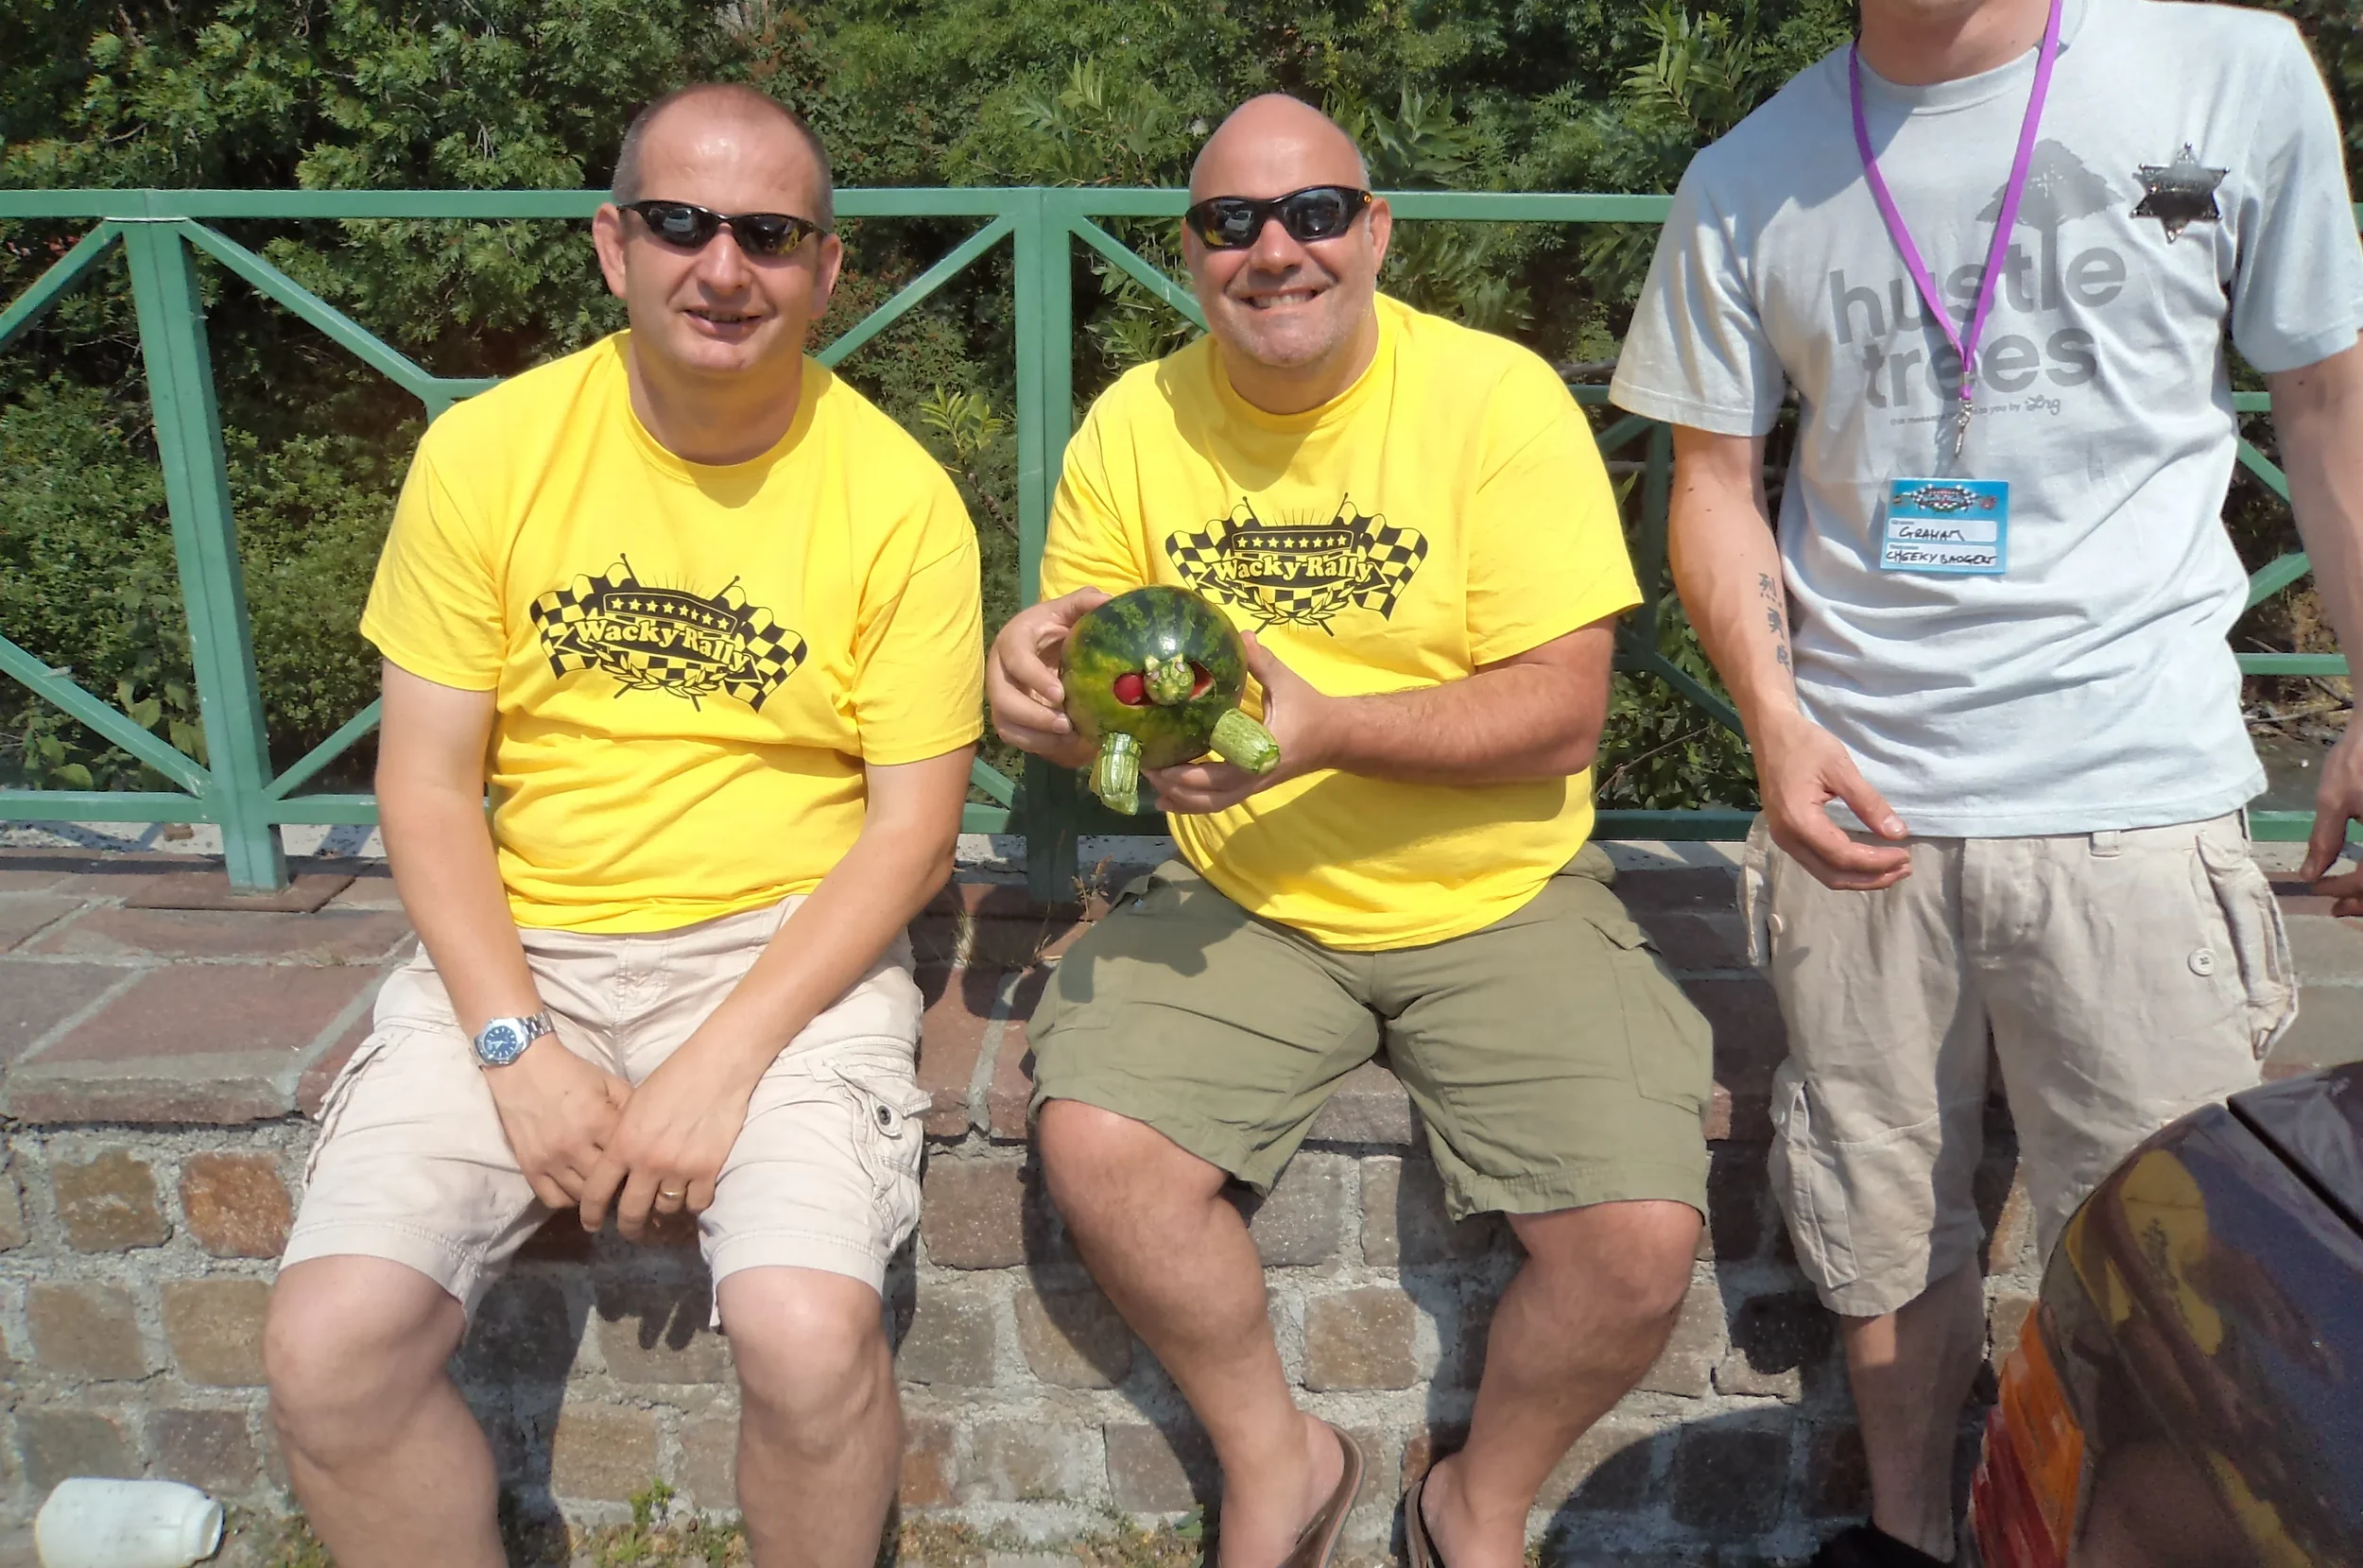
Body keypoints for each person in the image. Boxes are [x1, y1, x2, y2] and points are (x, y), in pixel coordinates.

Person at [1610, 0, 2363, 1562]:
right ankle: (1907, 1538)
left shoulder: (2230, 75)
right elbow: (1710, 488)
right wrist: (1775, 730)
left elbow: (2329, 407)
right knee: (1880, 1240)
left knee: (2189, 1264)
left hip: (2137, 796)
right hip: (1863, 808)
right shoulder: (1751, 172)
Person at [264, 84, 985, 1568]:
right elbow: (424, 784)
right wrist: (514, 1045)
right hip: (529, 945)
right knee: (329, 1345)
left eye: (771, 236)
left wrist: (722, 1060)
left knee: (803, 1331)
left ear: (827, 271)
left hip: (789, 963)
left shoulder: (900, 498)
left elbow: (913, 831)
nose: (723, 267)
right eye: (680, 222)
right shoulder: (489, 453)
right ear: (613, 244)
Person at [989, 94, 1713, 1568]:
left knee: (1637, 1240)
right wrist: (1041, 689)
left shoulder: (1497, 400)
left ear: (1375, 231)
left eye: (1316, 211)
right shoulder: (1137, 421)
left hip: (1499, 884)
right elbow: (1094, 675)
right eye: (1230, 222)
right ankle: (1283, 1460)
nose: (1276, 249)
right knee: (1101, 1145)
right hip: (1248, 891)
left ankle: (1474, 1499)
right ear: (1189, 256)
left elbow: (1565, 712)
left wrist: (1322, 730)